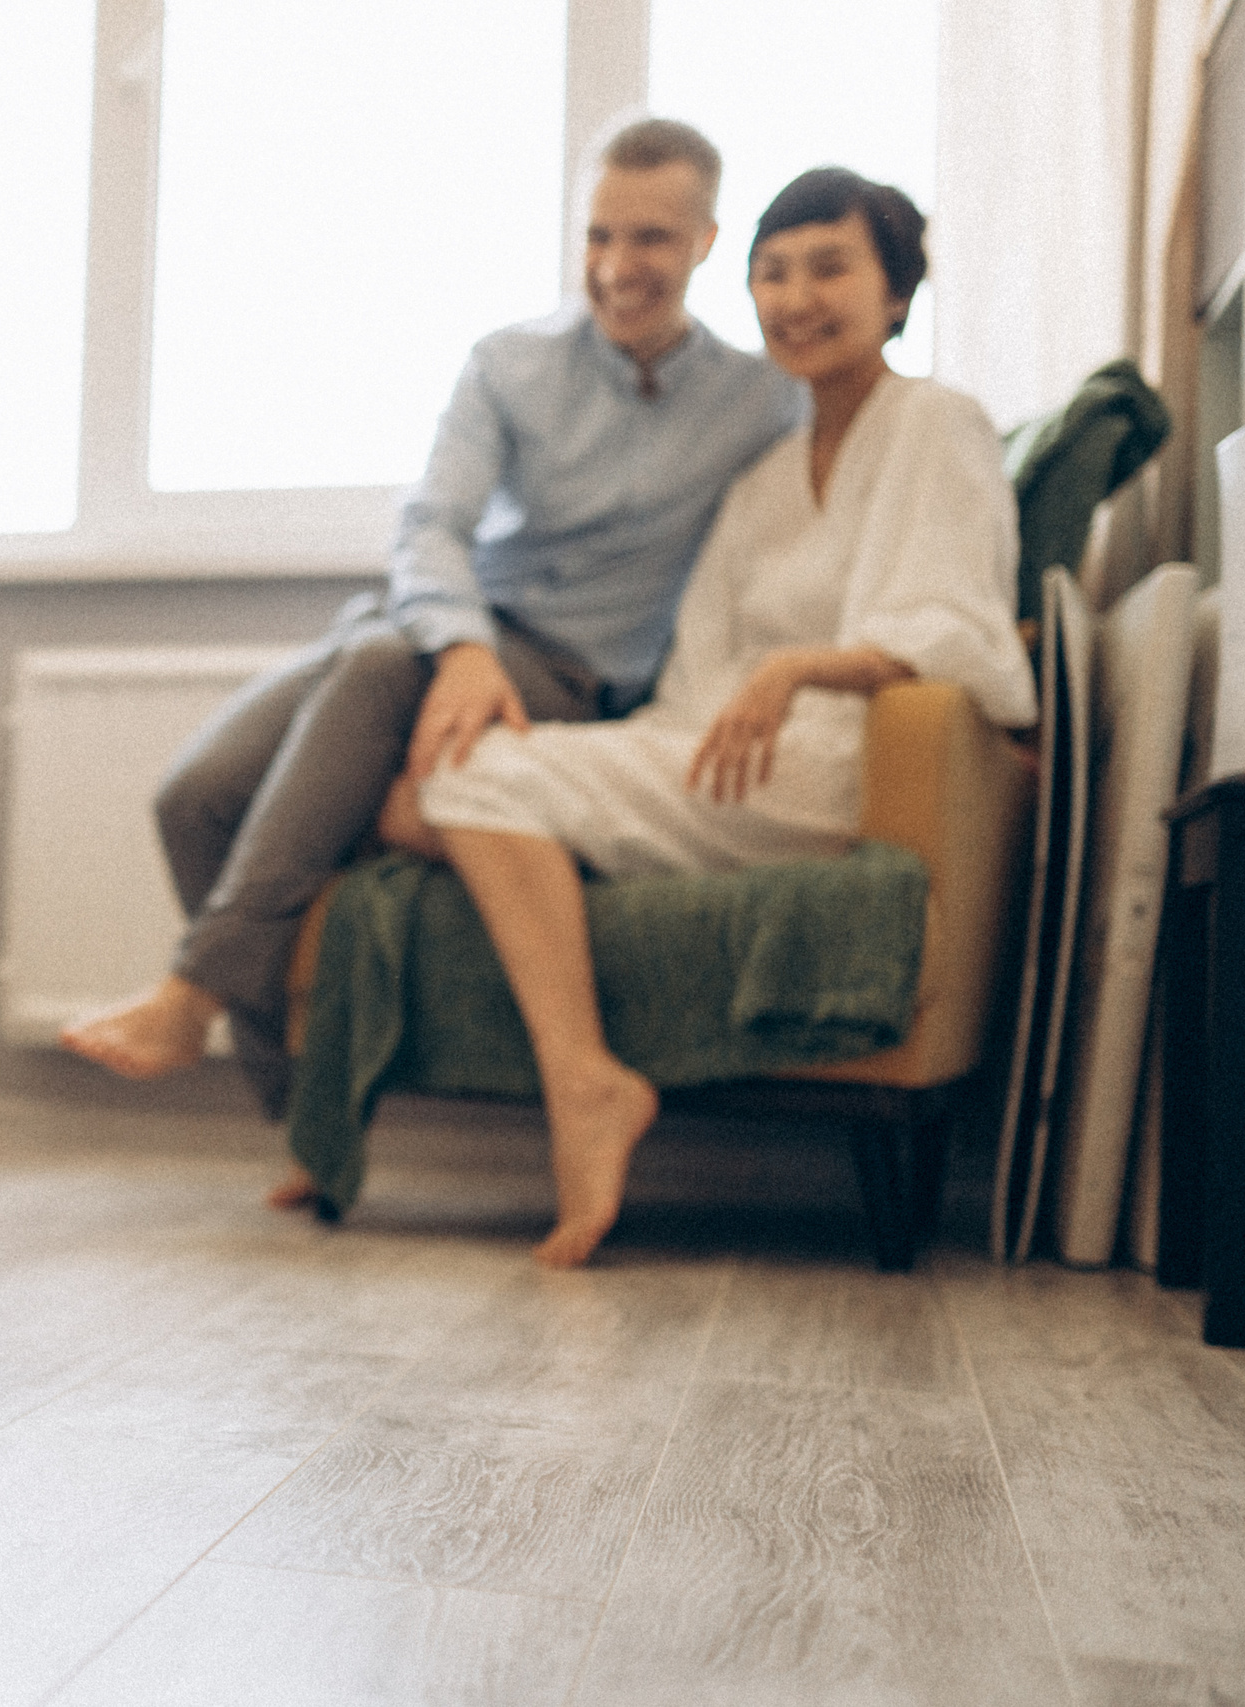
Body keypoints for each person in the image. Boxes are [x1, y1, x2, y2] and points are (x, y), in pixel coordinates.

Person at [61, 118, 804, 1128]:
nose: (617, 267)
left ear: (705, 242)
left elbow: (827, 516)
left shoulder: (760, 401)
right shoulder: (510, 363)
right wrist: (460, 646)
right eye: (597, 237)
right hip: (437, 629)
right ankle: (294, 1110)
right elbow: (431, 524)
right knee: (193, 797)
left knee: (372, 663)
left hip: (576, 670)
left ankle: (194, 999)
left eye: (650, 240)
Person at [362, 167, 1036, 1268]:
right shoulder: (763, 474)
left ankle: (584, 1081)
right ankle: (575, 943)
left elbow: (960, 629)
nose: (794, 298)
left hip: (847, 764)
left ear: (898, 292)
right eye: (771, 274)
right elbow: (696, 683)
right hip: (727, 757)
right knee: (422, 787)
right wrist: (709, 714)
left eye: (829, 268)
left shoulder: (937, 423)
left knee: (470, 781)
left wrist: (800, 671)